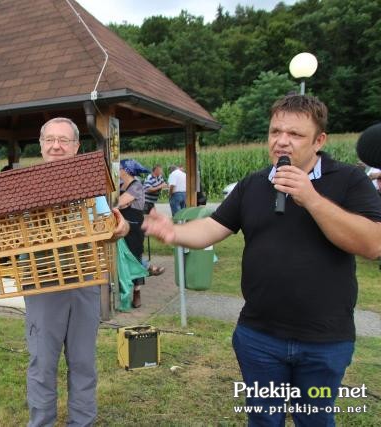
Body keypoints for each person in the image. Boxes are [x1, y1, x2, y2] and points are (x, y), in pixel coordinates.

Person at [143, 94, 381, 425]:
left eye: (295, 134)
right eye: (275, 132)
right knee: (264, 419)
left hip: (324, 340)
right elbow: (213, 227)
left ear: (319, 140)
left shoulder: (349, 181)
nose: (282, 141)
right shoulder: (252, 184)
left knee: (314, 420)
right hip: (259, 337)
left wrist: (310, 198)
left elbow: (372, 244)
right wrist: (174, 233)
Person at [25, 117, 128, 427]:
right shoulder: (25, 186)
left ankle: (81, 423)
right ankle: (41, 422)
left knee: (83, 362)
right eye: (50, 140)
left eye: (64, 140)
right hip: (42, 283)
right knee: (42, 364)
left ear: (76, 147)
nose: (57, 146)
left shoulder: (91, 186)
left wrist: (119, 229)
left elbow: (107, 225)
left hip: (86, 282)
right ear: (41, 145)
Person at [119, 159, 150, 308]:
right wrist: (121, 203)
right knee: (122, 258)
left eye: (119, 168)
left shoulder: (136, 185)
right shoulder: (119, 185)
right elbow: (120, 202)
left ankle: (137, 293)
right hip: (120, 224)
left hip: (135, 226)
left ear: (126, 170)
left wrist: (120, 203)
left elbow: (118, 202)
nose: (118, 170)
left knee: (135, 258)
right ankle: (122, 291)